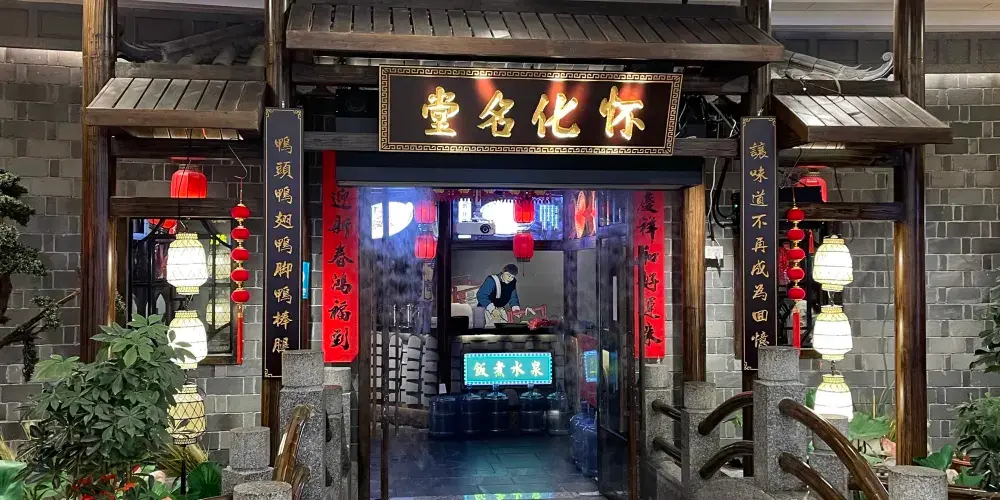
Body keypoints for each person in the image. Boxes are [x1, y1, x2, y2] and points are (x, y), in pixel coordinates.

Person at [473, 264, 521, 328]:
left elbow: (513, 297)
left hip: (499, 309)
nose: (510, 278)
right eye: (508, 275)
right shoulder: (492, 280)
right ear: (503, 272)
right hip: (486, 309)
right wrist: (492, 309)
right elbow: (481, 295)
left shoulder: (512, 283)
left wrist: (515, 309)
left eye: (512, 277)